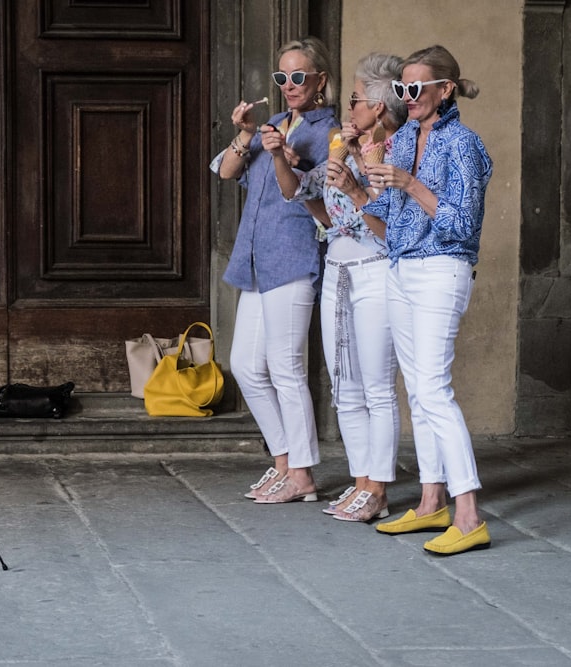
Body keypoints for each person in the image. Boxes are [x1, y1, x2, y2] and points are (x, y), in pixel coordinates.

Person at [359, 45, 494, 555]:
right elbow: (388, 221)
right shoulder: (400, 142)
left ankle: (468, 514)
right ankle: (431, 501)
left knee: (434, 389)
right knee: (417, 390)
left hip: (442, 270)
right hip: (400, 269)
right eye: (402, 88)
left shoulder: (464, 144)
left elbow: (462, 224)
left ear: (445, 90)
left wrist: (411, 183)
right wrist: (356, 183)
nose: (407, 97)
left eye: (417, 88)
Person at [272, 53, 407, 523]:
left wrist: (354, 180)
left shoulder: (397, 156)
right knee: (344, 387)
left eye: (356, 100)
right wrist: (278, 155)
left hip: (375, 271)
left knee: (376, 387)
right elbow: (304, 194)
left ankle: (378, 488)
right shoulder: (339, 146)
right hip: (337, 272)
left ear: (380, 109)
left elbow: (390, 227)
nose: (348, 108)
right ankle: (359, 480)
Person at [210, 37, 338, 504]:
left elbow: (325, 199)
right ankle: (283, 462)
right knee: (245, 365)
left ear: (320, 80)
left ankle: (302, 475)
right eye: (282, 77)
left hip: (294, 258)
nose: (288, 85)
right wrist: (244, 134)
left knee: (286, 368)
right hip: (256, 260)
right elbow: (226, 172)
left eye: (298, 77)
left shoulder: (331, 133)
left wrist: (289, 156)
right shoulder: (273, 124)